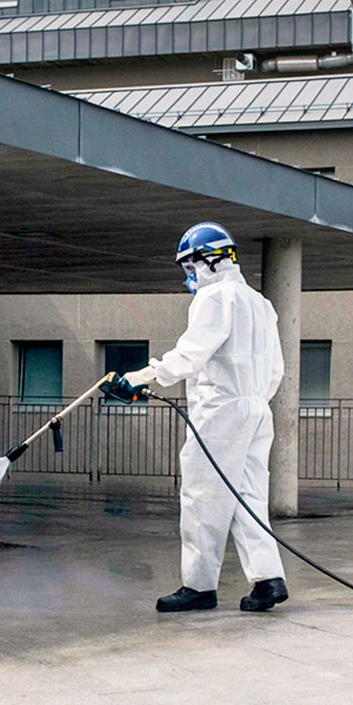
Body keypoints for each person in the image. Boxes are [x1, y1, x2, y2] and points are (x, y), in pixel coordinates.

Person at [112, 222, 289, 613]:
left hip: (220, 412)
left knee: (202, 498)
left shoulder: (215, 297)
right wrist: (252, 401)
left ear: (212, 260)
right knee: (249, 495)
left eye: (191, 267)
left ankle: (198, 587)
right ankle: (268, 579)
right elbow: (276, 369)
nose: (189, 276)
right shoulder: (260, 303)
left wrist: (141, 377)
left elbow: (191, 354)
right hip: (257, 410)